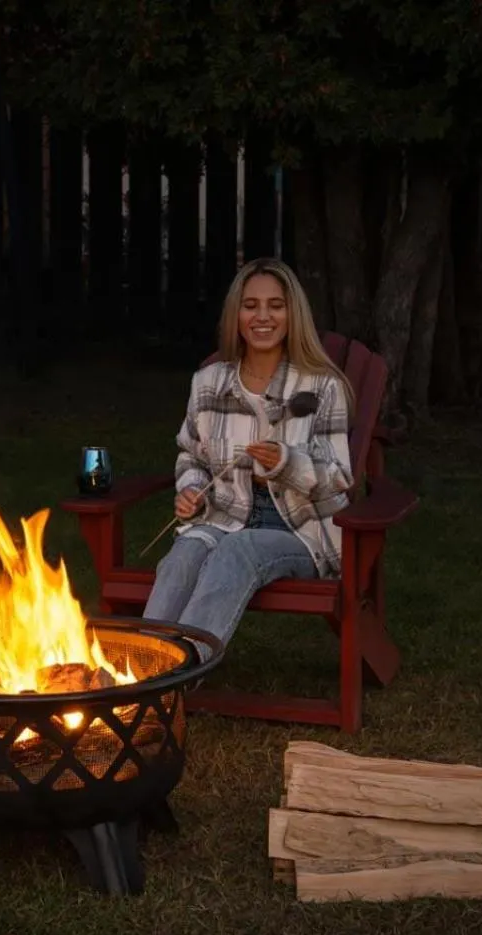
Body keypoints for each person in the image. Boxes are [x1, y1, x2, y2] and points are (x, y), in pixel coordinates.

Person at [144, 257, 355, 650]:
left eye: (276, 306)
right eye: (250, 305)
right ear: (236, 314)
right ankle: (143, 664)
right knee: (183, 556)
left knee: (238, 550)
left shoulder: (322, 387)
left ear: (293, 314)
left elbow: (339, 476)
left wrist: (286, 464)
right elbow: (191, 455)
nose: (262, 317)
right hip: (225, 517)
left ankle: (183, 670)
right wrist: (191, 490)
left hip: (300, 530)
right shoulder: (209, 383)